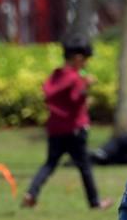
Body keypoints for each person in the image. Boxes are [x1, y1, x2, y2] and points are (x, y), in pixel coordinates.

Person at [22, 42, 112, 210]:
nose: (86, 63)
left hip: (55, 127)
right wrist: (87, 86)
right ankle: (95, 202)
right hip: (75, 129)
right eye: (85, 60)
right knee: (84, 166)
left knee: (50, 163)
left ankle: (31, 194)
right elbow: (76, 99)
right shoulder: (76, 78)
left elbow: (51, 94)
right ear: (78, 58)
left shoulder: (56, 75)